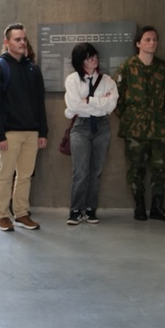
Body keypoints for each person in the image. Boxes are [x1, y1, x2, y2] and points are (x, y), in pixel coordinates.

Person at [0, 24, 48, 231]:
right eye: (17, 39)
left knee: (25, 176)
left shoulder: (32, 69)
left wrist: (43, 132)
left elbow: (40, 103)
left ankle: (21, 213)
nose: (22, 43)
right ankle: (3, 215)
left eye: (24, 39)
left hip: (32, 131)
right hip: (9, 133)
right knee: (5, 175)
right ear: (7, 43)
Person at [114, 26, 165, 222]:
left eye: (155, 39)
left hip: (159, 126)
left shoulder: (163, 68)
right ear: (138, 43)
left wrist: (153, 113)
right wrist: (131, 116)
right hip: (135, 126)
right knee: (136, 168)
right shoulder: (126, 67)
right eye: (148, 39)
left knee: (162, 167)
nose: (153, 43)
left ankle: (157, 207)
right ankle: (139, 206)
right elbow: (117, 99)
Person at [64, 43, 118, 225]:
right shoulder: (72, 80)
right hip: (81, 126)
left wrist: (89, 100)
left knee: (96, 171)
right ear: (80, 61)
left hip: (102, 127)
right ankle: (75, 209)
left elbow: (111, 105)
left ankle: (90, 209)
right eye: (89, 57)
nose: (94, 59)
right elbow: (74, 106)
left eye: (95, 55)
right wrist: (100, 102)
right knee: (81, 170)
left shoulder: (107, 80)